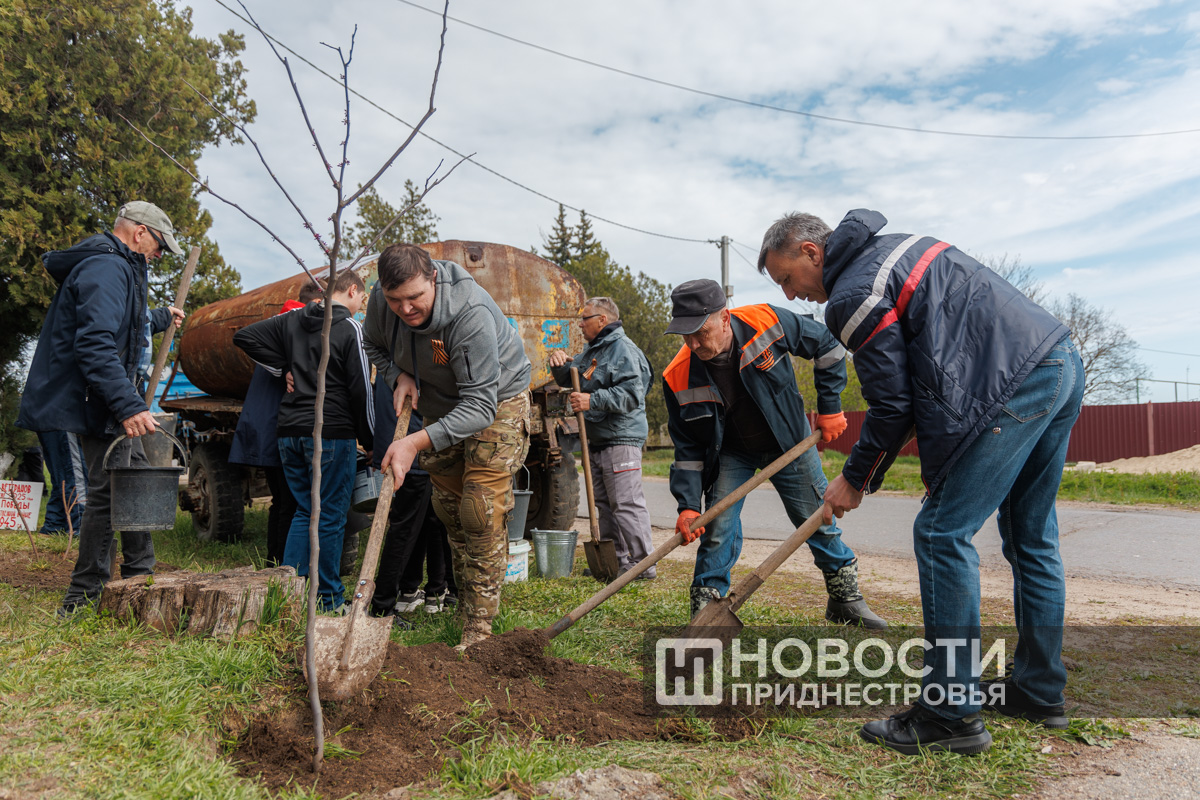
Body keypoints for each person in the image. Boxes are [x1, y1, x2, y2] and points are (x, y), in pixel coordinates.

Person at [758, 210, 1084, 755]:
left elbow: (893, 405)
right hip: (1059, 361)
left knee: (940, 533)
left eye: (787, 279)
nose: (792, 295)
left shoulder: (852, 294)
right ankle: (1038, 691)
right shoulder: (896, 246)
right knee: (1032, 537)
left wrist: (854, 478)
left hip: (1014, 382)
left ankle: (950, 714)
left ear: (811, 252)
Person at [662, 279, 887, 628]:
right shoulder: (677, 376)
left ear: (724, 318)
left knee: (816, 518)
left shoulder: (764, 321)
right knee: (717, 526)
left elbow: (828, 345)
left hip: (790, 443)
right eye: (685, 336)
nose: (693, 344)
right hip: (732, 453)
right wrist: (688, 504)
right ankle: (706, 616)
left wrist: (830, 407)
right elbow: (688, 448)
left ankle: (845, 599)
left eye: (700, 333)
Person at [17, 201, 185, 617]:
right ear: (139, 232)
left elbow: (125, 323)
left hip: (104, 397)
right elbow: (95, 344)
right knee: (110, 490)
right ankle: (83, 595)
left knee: (135, 479)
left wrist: (160, 316)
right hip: (99, 399)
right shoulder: (107, 267)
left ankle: (139, 572)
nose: (159, 255)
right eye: (159, 245)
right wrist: (127, 405)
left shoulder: (114, 268)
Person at [364, 243, 531, 651]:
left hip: (497, 403)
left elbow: (479, 406)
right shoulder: (381, 302)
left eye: (415, 297)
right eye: (395, 300)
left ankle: (479, 628)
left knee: (479, 510)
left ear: (433, 278)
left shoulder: (469, 312)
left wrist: (411, 443)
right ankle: (465, 602)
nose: (405, 309)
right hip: (440, 404)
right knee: (451, 513)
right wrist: (398, 374)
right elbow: (373, 346)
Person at [233, 269, 373, 613]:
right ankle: (328, 600)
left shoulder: (293, 319)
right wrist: (371, 439)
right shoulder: (349, 327)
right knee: (330, 516)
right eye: (362, 296)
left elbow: (245, 336)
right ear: (352, 290)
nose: (361, 303)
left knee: (305, 511)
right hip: (329, 432)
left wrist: (283, 367)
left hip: (289, 431)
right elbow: (361, 390)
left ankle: (288, 598)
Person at [549, 296, 656, 581]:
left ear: (602, 320)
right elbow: (571, 377)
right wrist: (558, 363)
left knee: (626, 503)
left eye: (584, 319)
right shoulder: (594, 350)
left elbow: (631, 394)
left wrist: (591, 400)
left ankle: (643, 565)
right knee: (606, 505)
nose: (580, 324)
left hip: (621, 438)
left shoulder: (622, 349)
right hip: (598, 440)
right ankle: (616, 562)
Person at [228, 279, 323, 566]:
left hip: (267, 423)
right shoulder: (295, 324)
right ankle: (282, 565)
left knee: (282, 501)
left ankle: (275, 562)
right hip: (277, 426)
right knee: (290, 502)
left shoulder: (279, 324)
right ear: (317, 303)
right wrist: (285, 369)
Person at [368, 376, 457, 619]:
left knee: (428, 522)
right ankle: (382, 605)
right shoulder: (413, 363)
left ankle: (421, 591)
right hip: (414, 451)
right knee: (405, 529)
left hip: (405, 447)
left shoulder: (393, 363)